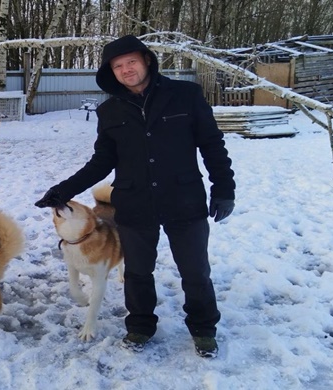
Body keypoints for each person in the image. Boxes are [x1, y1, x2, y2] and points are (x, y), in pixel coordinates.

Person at [35, 35, 235, 358]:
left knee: (195, 271)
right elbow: (101, 162)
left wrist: (224, 188)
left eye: (131, 62)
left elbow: (212, 144)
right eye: (118, 66)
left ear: (146, 61)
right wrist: (63, 191)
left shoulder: (185, 96)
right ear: (111, 72)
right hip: (134, 204)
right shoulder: (110, 112)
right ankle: (140, 325)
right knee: (138, 273)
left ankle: (203, 329)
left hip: (184, 200)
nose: (126, 70)